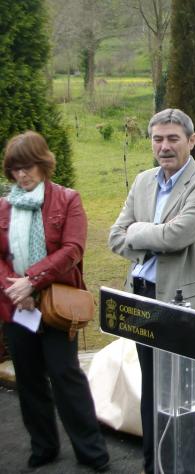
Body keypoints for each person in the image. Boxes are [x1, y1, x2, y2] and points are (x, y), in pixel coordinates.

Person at [109, 108, 195, 474]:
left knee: (188, 396)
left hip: (181, 302)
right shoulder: (144, 181)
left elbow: (176, 237)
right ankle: (153, 465)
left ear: (191, 140)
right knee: (152, 389)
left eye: (173, 138)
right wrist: (153, 235)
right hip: (141, 295)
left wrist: (138, 231)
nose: (164, 146)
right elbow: (114, 237)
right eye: (157, 139)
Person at [0, 131, 110, 471]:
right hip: (16, 306)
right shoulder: (4, 206)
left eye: (28, 166)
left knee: (65, 375)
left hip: (57, 305)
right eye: (16, 168)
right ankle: (44, 447)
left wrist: (32, 281)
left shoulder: (67, 200)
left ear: (43, 163)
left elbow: (73, 249)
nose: (22, 174)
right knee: (28, 378)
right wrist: (15, 290)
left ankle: (92, 451)